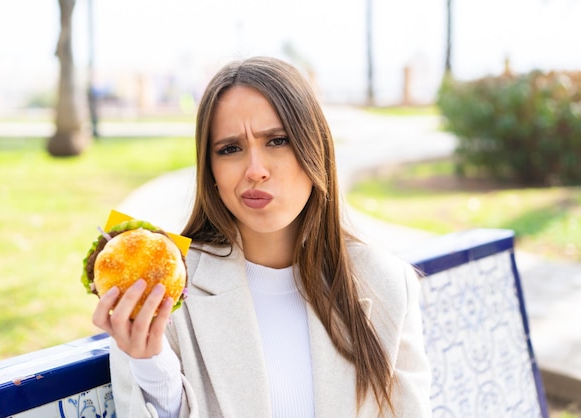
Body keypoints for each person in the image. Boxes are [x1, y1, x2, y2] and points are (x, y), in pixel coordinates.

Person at [92, 56, 432, 417]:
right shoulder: (162, 291)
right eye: (230, 149)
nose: (255, 171)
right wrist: (151, 366)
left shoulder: (387, 283)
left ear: (315, 149)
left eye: (277, 140)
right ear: (211, 172)